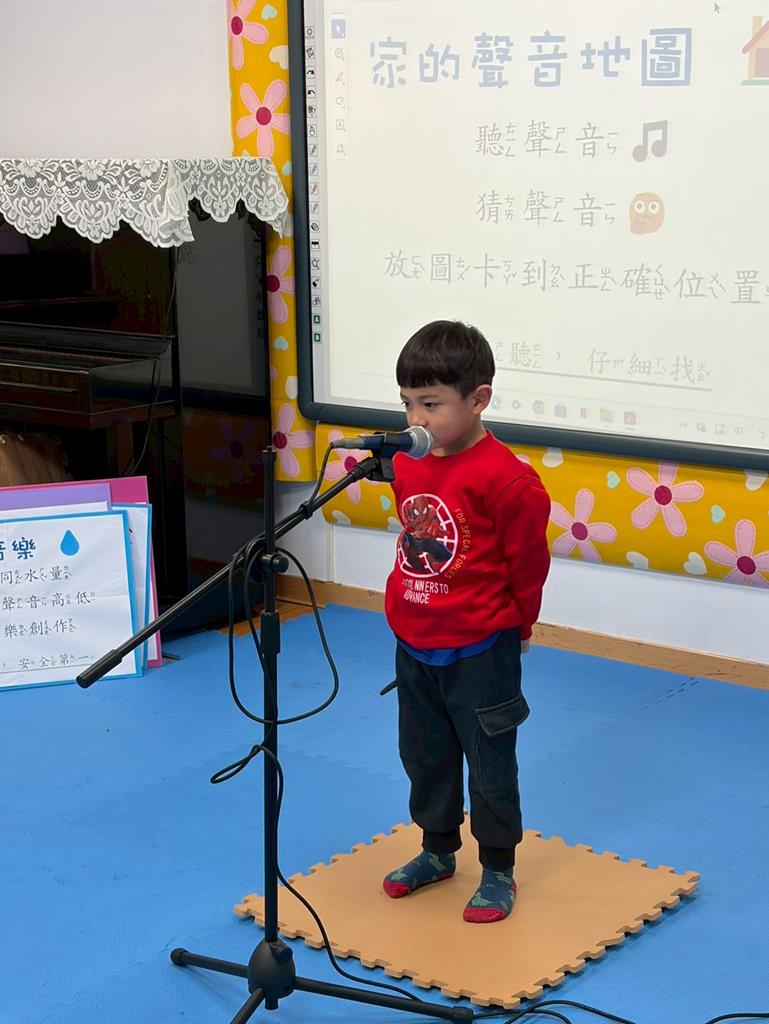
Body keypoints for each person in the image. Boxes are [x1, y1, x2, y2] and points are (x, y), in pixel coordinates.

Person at [382, 320, 551, 924]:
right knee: (424, 754)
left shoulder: (508, 480)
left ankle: (498, 866)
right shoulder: (406, 462)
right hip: (415, 639)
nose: (416, 419)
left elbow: (528, 564)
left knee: (489, 761)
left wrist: (520, 627)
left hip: (481, 646)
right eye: (407, 403)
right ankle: (437, 850)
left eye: (430, 404)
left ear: (478, 399)